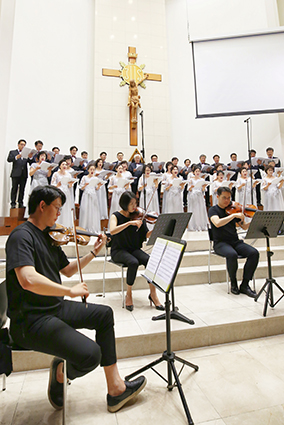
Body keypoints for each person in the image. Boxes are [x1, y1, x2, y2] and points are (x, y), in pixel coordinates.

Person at [5, 185, 146, 413]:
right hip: (30, 320)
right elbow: (27, 279)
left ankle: (116, 389)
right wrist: (68, 291)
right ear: (42, 206)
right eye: (57, 209)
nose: (59, 214)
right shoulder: (21, 236)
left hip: (53, 307)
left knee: (104, 314)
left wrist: (93, 252)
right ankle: (61, 373)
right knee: (91, 355)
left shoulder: (47, 236)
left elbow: (68, 270)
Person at [109, 191, 163, 311]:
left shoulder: (139, 216)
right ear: (124, 204)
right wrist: (129, 223)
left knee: (149, 260)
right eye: (131, 203)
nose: (135, 206)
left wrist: (157, 229)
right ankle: (129, 294)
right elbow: (112, 231)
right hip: (119, 250)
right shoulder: (116, 216)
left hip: (133, 249)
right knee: (133, 262)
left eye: (136, 203)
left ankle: (153, 294)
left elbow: (146, 234)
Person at [208, 186, 259, 297]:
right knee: (232, 254)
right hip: (220, 243)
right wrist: (233, 216)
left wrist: (254, 221)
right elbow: (217, 223)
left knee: (254, 253)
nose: (227, 200)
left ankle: (245, 284)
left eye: (229, 198)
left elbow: (244, 227)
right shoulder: (213, 210)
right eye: (224, 198)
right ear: (217, 197)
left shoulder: (233, 209)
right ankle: (234, 283)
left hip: (235, 242)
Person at [7, 139, 33, 208]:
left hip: (23, 174)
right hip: (15, 173)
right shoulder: (13, 152)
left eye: (24, 145)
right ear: (18, 145)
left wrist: (30, 157)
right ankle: (13, 203)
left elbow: (30, 163)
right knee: (14, 189)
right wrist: (16, 157)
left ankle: (20, 202)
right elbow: (9, 159)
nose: (23, 146)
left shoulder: (26, 153)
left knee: (22, 189)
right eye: (21, 144)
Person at [51, 159, 74, 228]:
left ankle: (66, 225)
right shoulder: (56, 174)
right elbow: (52, 184)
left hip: (66, 192)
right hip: (58, 192)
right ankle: (57, 225)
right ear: (60, 166)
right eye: (63, 164)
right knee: (59, 208)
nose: (64, 166)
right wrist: (57, 185)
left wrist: (71, 184)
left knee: (66, 208)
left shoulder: (69, 175)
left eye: (66, 164)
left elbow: (70, 186)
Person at [79, 163, 102, 233]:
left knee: (93, 210)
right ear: (88, 170)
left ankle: (93, 227)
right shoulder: (84, 177)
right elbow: (81, 188)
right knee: (85, 210)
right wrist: (85, 185)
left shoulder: (96, 178)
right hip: (86, 195)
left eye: (94, 170)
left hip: (93, 195)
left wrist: (99, 185)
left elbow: (96, 188)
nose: (92, 171)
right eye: (91, 169)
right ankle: (84, 227)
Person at [187, 165, 208, 231]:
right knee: (194, 210)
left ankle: (201, 225)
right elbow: (188, 189)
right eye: (196, 171)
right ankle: (194, 225)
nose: (198, 172)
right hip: (193, 195)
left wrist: (204, 187)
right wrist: (191, 187)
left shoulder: (202, 179)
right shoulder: (191, 179)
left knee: (200, 209)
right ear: (193, 172)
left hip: (200, 196)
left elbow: (203, 189)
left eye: (199, 171)